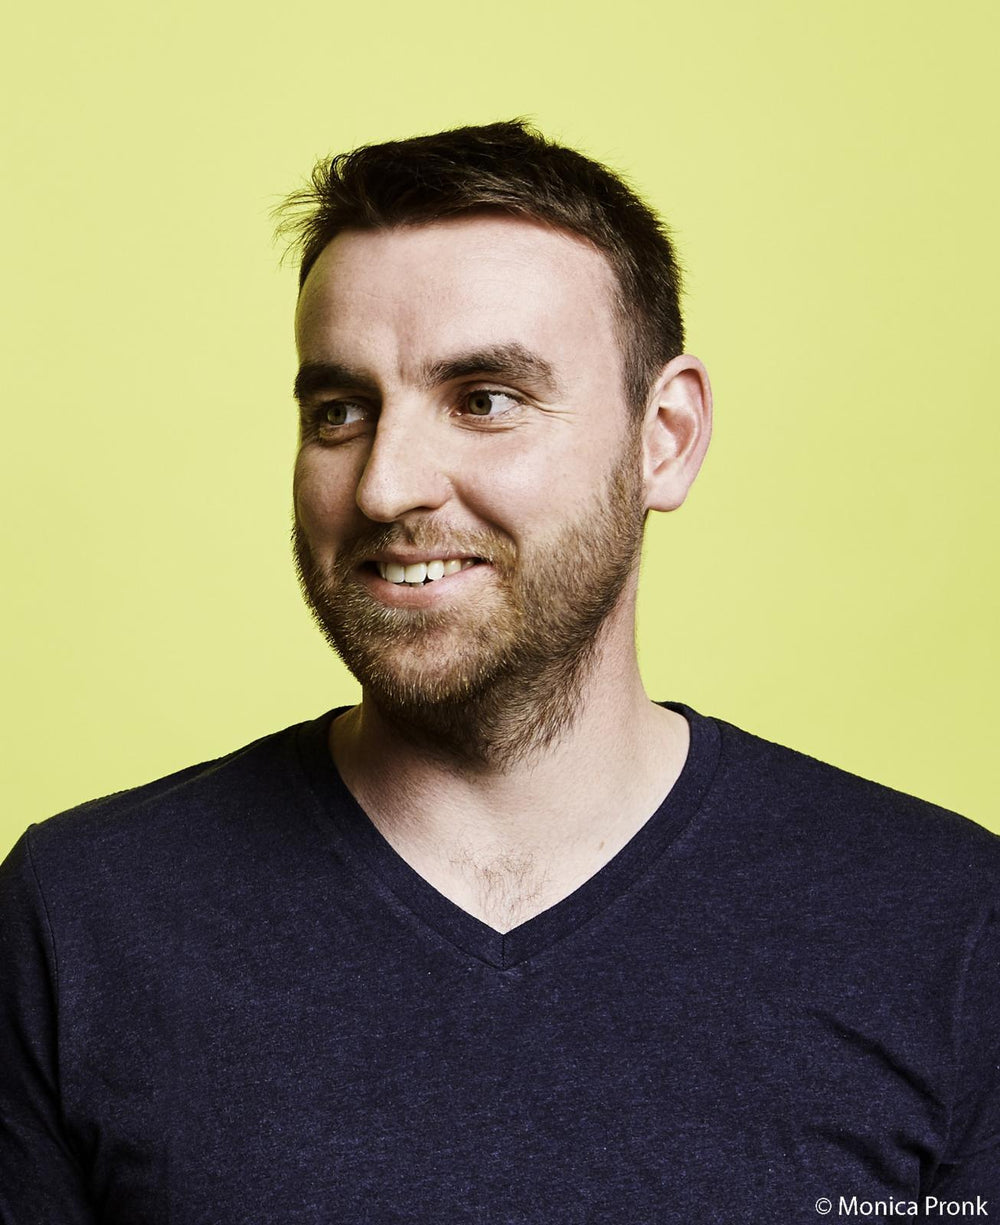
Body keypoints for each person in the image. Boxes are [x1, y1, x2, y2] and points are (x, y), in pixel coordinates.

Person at [1, 121, 997, 1223]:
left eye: (484, 399)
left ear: (664, 437)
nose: (385, 486)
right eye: (340, 412)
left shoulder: (947, 926)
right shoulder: (81, 913)